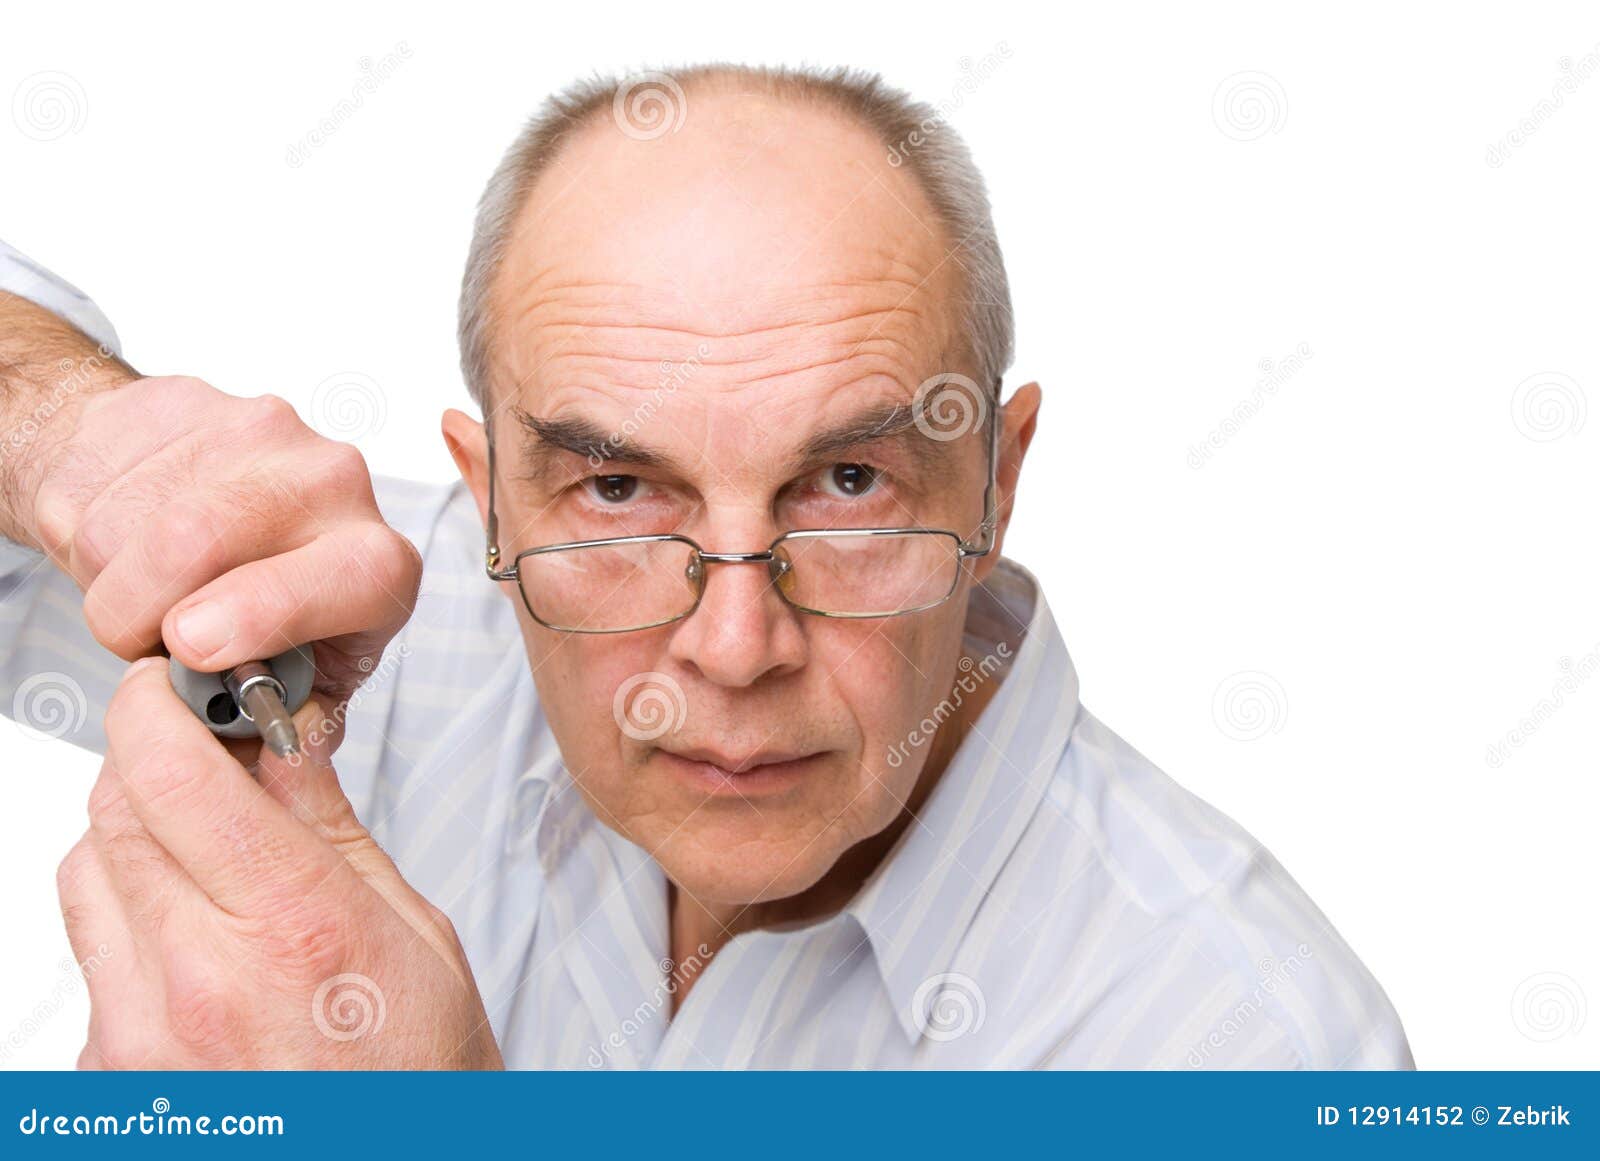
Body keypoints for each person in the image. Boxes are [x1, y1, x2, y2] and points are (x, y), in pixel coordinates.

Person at [0, 64, 1412, 1068]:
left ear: (996, 481)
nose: (734, 647)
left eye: (848, 485)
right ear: (491, 497)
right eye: (617, 487)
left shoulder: (1243, 1052)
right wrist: (73, 428)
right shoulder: (374, 642)